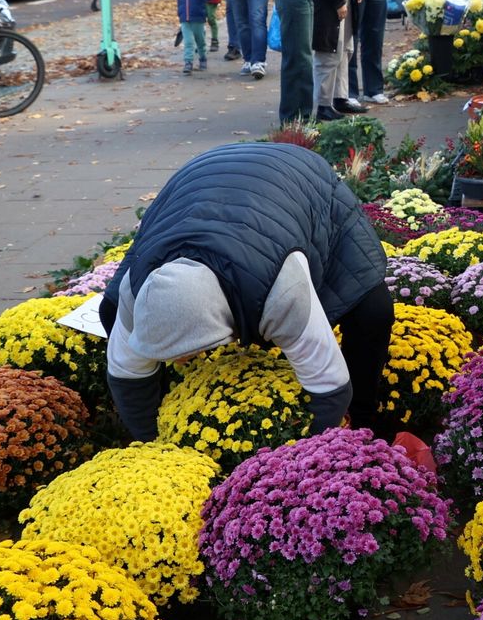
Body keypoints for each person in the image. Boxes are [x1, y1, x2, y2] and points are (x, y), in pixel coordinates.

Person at [100, 143, 395, 440]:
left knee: (373, 311)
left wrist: (298, 460)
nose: (177, 361)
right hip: (194, 185)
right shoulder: (135, 293)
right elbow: (127, 378)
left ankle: (364, 422)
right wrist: (157, 445)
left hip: (298, 178)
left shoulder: (282, 290)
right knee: (108, 310)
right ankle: (171, 406)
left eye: (181, 352)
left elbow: (330, 387)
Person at [175, 0, 208, 75]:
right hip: (185, 19)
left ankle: (203, 57)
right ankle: (188, 62)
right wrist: (180, 14)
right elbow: (179, 1)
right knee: (188, 41)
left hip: (198, 18)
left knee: (200, 40)